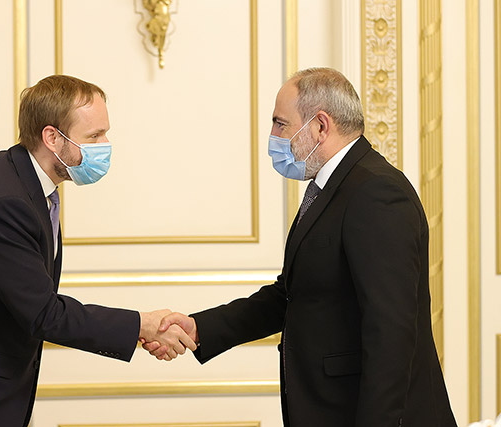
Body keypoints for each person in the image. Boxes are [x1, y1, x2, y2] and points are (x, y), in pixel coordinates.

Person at [144, 67, 457, 426]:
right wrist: (199, 328)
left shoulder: (376, 192)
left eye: (281, 124)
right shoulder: (332, 186)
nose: (273, 137)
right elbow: (292, 295)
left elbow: (391, 334)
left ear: (321, 126)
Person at [0, 75, 196, 427]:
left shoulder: (29, 187)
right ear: (52, 138)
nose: (105, 146)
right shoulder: (4, 202)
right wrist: (142, 324)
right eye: (94, 136)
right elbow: (44, 313)